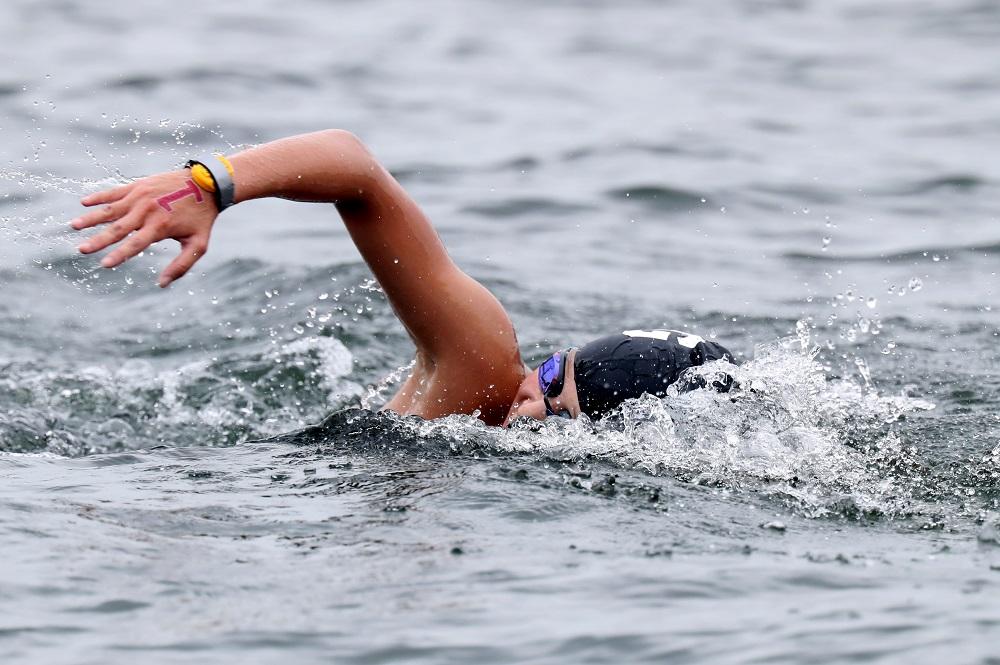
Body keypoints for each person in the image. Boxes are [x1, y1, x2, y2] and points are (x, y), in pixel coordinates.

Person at [70, 129, 734, 427]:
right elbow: (353, 165)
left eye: (555, 411)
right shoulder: (482, 365)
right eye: (554, 371)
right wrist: (211, 185)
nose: (528, 397)